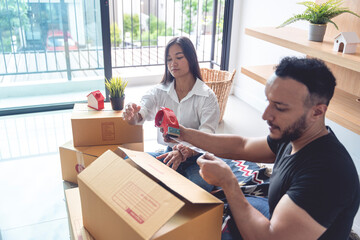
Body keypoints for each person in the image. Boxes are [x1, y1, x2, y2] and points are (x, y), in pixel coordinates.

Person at [171, 57, 360, 239]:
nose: (265, 115)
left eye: (279, 107)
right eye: (268, 102)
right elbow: (242, 146)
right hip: (278, 217)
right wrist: (184, 133)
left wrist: (228, 182)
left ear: (317, 112)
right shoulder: (294, 135)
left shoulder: (328, 174)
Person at [123, 36, 220, 192]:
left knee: (199, 188)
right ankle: (171, 180)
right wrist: (133, 116)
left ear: (191, 59)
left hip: (198, 159)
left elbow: (207, 135)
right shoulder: (159, 91)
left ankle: (170, 182)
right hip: (169, 154)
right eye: (169, 59)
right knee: (129, 162)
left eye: (179, 57)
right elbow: (142, 112)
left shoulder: (207, 96)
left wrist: (186, 152)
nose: (172, 63)